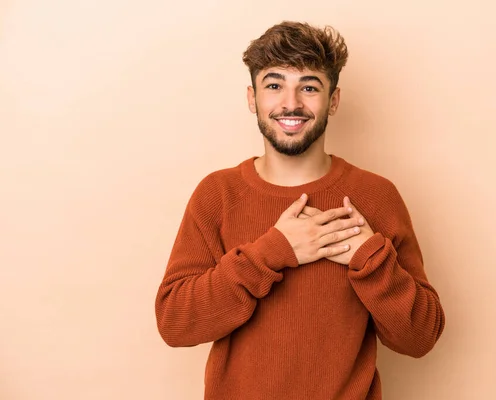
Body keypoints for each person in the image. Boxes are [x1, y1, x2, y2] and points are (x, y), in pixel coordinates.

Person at [155, 21, 445, 400]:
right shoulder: (218, 194)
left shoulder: (376, 196)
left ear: (334, 100)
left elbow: (420, 337)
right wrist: (273, 252)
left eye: (309, 87)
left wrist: (368, 258)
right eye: (274, 86)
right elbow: (176, 323)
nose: (291, 103)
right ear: (251, 98)